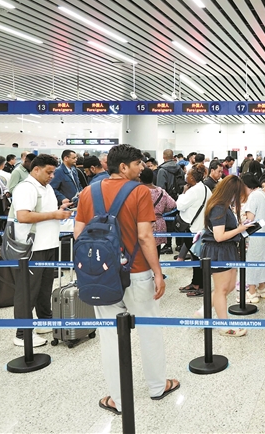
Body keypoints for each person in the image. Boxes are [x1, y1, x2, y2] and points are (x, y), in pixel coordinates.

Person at [74, 144, 179, 414]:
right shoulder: (139, 192)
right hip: (137, 272)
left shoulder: (87, 192)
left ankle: (118, 400)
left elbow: (78, 235)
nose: (142, 167)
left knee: (110, 336)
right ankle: (157, 386)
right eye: (137, 163)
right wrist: (158, 272)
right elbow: (145, 236)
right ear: (123, 167)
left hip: (102, 275)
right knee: (149, 330)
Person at [11, 154, 72, 347]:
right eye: (49, 172)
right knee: (28, 290)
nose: (52, 176)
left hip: (49, 244)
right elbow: (23, 216)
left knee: (45, 287)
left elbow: (44, 211)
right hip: (32, 248)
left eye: (53, 172)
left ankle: (44, 319)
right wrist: (54, 214)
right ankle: (22, 333)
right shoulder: (26, 188)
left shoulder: (47, 188)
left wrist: (60, 208)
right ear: (36, 169)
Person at [198, 175, 249, 336]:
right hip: (219, 250)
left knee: (230, 286)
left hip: (227, 250)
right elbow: (219, 236)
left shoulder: (224, 206)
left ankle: (202, 312)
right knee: (221, 289)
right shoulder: (219, 207)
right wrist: (239, 229)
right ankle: (224, 326)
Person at [175, 165, 211, 297]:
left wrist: (183, 192)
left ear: (192, 178)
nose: (186, 176)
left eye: (188, 175)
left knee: (196, 258)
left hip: (192, 229)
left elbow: (179, 205)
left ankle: (200, 286)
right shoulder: (206, 188)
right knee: (197, 257)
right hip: (201, 228)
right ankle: (196, 283)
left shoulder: (193, 191)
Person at [240, 173, 265, 302]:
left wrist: (241, 215)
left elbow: (250, 218)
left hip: (254, 234)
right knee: (262, 260)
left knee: (252, 261)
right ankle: (262, 288)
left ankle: (252, 292)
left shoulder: (253, 196)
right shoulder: (262, 194)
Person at [140, 167, 176, 254]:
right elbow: (172, 205)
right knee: (156, 251)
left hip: (143, 223)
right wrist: (162, 210)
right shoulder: (161, 191)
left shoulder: (139, 191)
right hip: (159, 223)